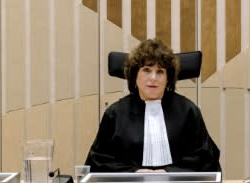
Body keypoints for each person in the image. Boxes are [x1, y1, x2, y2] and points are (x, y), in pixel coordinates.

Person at [85, 38, 221, 173]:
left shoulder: (188, 111)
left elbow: (206, 158)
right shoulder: (115, 113)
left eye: (160, 71)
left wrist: (169, 172)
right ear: (134, 76)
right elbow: (98, 161)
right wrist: (134, 173)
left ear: (168, 78)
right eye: (146, 70)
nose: (153, 78)